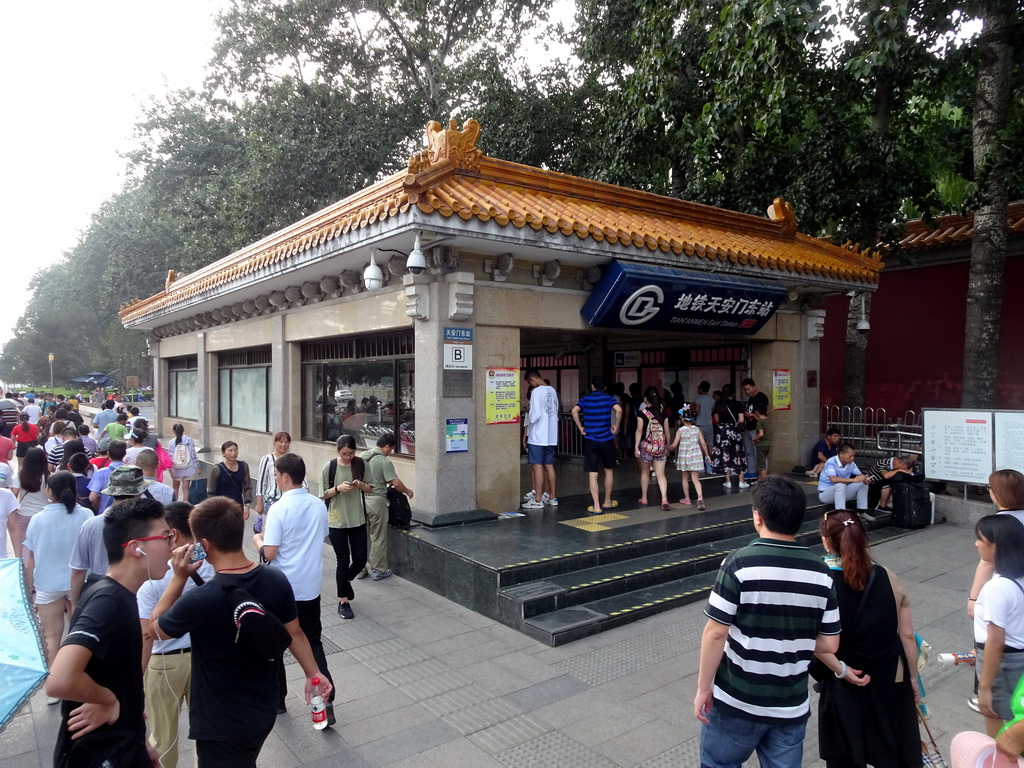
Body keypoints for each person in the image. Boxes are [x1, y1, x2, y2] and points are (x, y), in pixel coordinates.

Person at [153, 496, 333, 767]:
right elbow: (295, 633)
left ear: (205, 546)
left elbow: (155, 629)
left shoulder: (201, 599)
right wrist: (313, 673)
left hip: (221, 720)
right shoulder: (276, 579)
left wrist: (178, 578)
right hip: (263, 708)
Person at [694, 475, 841, 768]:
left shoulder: (739, 563)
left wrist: (702, 689)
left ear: (758, 517)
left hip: (736, 700)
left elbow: (715, 633)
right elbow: (830, 643)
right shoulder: (822, 573)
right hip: (789, 706)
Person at [46, 496, 171, 768]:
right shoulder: (108, 602)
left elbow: (118, 677)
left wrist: (142, 741)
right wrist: (107, 699)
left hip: (123, 746)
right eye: (166, 537)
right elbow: (59, 680)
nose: (172, 548)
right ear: (137, 548)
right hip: (100, 755)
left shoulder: (114, 593)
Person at [815, 509, 921, 767]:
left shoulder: (819, 582)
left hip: (844, 681)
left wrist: (840, 670)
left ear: (826, 541)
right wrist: (913, 678)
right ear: (864, 538)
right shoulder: (888, 577)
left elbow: (813, 641)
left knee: (846, 753)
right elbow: (906, 635)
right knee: (890, 749)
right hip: (888, 677)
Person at [251, 453, 335, 720]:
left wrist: (257, 540)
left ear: (285, 476)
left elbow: (270, 553)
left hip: (280, 588)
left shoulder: (279, 509)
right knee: (313, 641)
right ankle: (326, 699)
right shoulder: (318, 505)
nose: (275, 479)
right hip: (310, 585)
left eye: (276, 475)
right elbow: (321, 536)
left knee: (276, 644)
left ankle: (278, 701)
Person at [137, 501, 213, 768]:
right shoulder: (214, 564)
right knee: (206, 735)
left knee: (163, 740)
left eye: (162, 534)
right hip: (205, 659)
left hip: (164, 664)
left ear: (174, 534)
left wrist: (136, 684)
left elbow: (148, 634)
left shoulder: (155, 573)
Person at [22, 472, 93, 688]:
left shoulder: (38, 519)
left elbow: (31, 558)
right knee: (80, 634)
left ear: (49, 491)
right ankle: (81, 675)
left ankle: (54, 684)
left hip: (47, 583)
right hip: (81, 583)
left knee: (51, 636)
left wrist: (28, 586)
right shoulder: (86, 515)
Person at [72, 463, 150, 609]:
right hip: (140, 598)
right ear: (138, 493)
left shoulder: (91, 525)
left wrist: (75, 605)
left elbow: (78, 569)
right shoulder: (149, 526)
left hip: (99, 598)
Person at [973, 515, 1024, 737]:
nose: (976, 544)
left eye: (980, 539)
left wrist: (984, 688)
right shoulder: (1018, 577)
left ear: (996, 545)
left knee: (997, 720)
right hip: (1018, 656)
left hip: (1002, 662)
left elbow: (995, 641)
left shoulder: (998, 587)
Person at [320, 435, 370, 618]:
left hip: (357, 518)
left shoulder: (360, 464)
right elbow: (322, 494)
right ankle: (343, 601)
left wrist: (360, 484)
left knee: (360, 560)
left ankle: (345, 581)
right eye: (344, 454)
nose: (348, 457)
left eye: (351, 453)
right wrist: (339, 488)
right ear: (338, 451)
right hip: (336, 519)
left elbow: (371, 488)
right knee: (342, 559)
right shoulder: (330, 467)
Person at [361, 433, 414, 580]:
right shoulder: (383, 461)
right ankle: (379, 570)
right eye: (391, 449)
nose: (390, 452)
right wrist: (408, 491)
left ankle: (359, 569)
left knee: (360, 536)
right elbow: (396, 483)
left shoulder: (362, 455)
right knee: (377, 536)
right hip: (376, 501)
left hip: (359, 499)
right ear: (387, 446)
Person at [570, 376, 622, 514]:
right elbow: (619, 410)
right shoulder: (609, 398)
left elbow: (574, 411)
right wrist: (616, 425)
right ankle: (607, 501)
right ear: (604, 387)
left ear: (592, 386)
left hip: (591, 440)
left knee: (593, 474)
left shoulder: (586, 399)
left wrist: (580, 427)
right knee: (609, 470)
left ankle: (597, 506)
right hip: (607, 440)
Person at [521, 369, 560, 510]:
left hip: (538, 436)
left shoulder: (536, 392)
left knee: (537, 466)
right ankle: (552, 497)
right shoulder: (552, 390)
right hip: (551, 435)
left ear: (532, 380)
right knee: (549, 465)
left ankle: (538, 500)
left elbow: (535, 415)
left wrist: (529, 416)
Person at [635, 386, 671, 510]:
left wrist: (636, 447)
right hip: (661, 446)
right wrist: (668, 446)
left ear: (645, 399)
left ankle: (644, 498)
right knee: (661, 474)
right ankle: (664, 499)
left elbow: (639, 431)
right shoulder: (663, 412)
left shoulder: (642, 413)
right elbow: (666, 431)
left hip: (646, 447)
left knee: (645, 472)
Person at [12, 445, 49, 558]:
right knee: (42, 544)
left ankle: (26, 568)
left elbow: (14, 495)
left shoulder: (19, 476)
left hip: (24, 514)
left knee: (24, 544)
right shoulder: (48, 477)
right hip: (43, 515)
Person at [253, 432, 296, 530]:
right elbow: (261, 481)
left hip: (290, 500)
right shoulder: (267, 459)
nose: (284, 445)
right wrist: (259, 503)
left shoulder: (292, 459)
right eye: (281, 442)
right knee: (276, 527)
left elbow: (301, 480)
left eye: (286, 442)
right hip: (273, 500)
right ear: (275, 443)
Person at [670, 405, 709, 510]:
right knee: (696, 479)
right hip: (696, 456)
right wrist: (707, 455)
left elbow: (674, 445)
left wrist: (667, 449)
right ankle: (700, 498)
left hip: (684, 457)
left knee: (684, 478)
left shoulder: (680, 430)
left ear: (682, 419)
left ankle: (687, 499)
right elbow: (704, 444)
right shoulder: (697, 429)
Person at [710, 383, 747, 490]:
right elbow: (741, 420)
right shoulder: (737, 404)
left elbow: (716, 420)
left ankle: (728, 481)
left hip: (722, 431)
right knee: (737, 454)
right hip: (734, 431)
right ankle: (741, 481)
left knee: (725, 454)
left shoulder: (718, 404)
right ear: (733, 393)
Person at [818, 443, 871, 514]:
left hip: (841, 493)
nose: (852, 458)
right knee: (840, 485)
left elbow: (860, 474)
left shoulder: (851, 463)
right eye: (850, 456)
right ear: (841, 454)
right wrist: (854, 480)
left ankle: (861, 511)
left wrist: (865, 478)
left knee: (862, 483)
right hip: (825, 495)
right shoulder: (831, 462)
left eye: (853, 456)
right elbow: (833, 479)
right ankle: (841, 514)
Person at [208, 440, 252, 518]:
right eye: (230, 450)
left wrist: (247, 505)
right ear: (223, 453)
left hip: (237, 505)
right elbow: (211, 491)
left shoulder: (243, 466)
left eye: (235, 450)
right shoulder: (217, 469)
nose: (233, 453)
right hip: (221, 507)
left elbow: (247, 486)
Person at [88, 440, 128, 514]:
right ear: (125, 453)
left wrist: (98, 507)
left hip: (105, 514)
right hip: (127, 514)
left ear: (108, 453)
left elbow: (92, 498)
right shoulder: (132, 471)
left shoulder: (100, 473)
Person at [741, 378, 769, 481]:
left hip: (756, 428)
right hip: (748, 427)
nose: (747, 392)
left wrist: (753, 415)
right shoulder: (750, 399)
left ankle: (763, 475)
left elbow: (763, 414)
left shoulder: (761, 397)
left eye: (748, 389)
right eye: (745, 390)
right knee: (750, 452)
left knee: (759, 453)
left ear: (754, 387)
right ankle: (751, 471)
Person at [167, 423, 199, 502]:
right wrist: (197, 467)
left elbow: (170, 457)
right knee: (186, 489)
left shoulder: (172, 442)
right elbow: (193, 454)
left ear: (173, 431)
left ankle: (174, 504)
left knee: (175, 488)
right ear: (183, 430)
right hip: (188, 467)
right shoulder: (189, 440)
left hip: (176, 468)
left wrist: (170, 469)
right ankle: (186, 506)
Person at [693, 381, 715, 457]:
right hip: (709, 424)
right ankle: (710, 462)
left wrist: (693, 414)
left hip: (700, 424)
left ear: (701, 388)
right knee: (710, 444)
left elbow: (696, 410)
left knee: (701, 444)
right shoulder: (712, 400)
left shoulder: (698, 398)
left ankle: (702, 463)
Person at [750, 402, 771, 482]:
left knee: (762, 465)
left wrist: (754, 439)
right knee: (763, 461)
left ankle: (764, 481)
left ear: (757, 412)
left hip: (761, 445)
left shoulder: (759, 422)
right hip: (767, 444)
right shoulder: (767, 420)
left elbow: (761, 434)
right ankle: (760, 479)